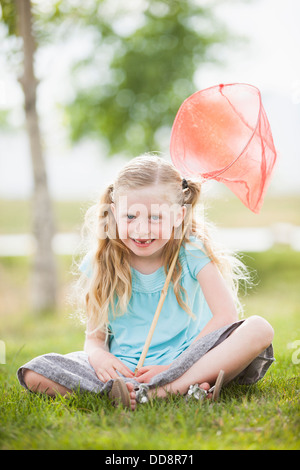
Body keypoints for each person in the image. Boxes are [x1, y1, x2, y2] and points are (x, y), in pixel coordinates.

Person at [17, 155, 274, 411]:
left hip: (189, 361)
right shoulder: (102, 262)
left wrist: (177, 366)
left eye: (155, 217)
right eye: (130, 216)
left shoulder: (192, 252)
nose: (141, 229)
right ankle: (136, 391)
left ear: (178, 216)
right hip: (125, 369)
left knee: (259, 329)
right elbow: (94, 339)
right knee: (35, 372)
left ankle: (164, 390)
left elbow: (226, 316)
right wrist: (100, 357)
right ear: (114, 213)